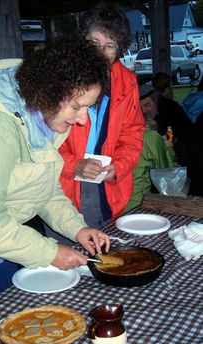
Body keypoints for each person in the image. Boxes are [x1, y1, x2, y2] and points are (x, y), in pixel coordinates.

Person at [0, 38, 110, 312]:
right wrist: (50, 252)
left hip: (5, 243)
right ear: (50, 91)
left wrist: (76, 228)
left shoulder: (43, 114)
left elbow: (42, 186)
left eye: (87, 108)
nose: (82, 120)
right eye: (77, 106)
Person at [58, 2, 145, 231]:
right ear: (82, 40)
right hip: (62, 183)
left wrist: (118, 166)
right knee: (67, 251)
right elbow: (40, 138)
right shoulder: (60, 77)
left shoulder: (127, 81)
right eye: (93, 43)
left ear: (119, 50)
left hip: (107, 182)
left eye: (109, 46)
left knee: (105, 250)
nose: (99, 52)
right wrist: (73, 165)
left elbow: (133, 133)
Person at [124, 86, 175, 212]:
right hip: (138, 206)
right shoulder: (150, 137)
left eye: (147, 105)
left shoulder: (115, 131)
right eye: (138, 106)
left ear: (156, 103)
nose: (143, 110)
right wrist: (168, 148)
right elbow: (167, 175)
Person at [139, 83, 193, 165]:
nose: (143, 110)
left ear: (155, 100)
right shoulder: (139, 113)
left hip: (183, 156)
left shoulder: (171, 110)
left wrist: (157, 127)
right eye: (140, 106)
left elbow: (171, 136)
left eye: (147, 105)